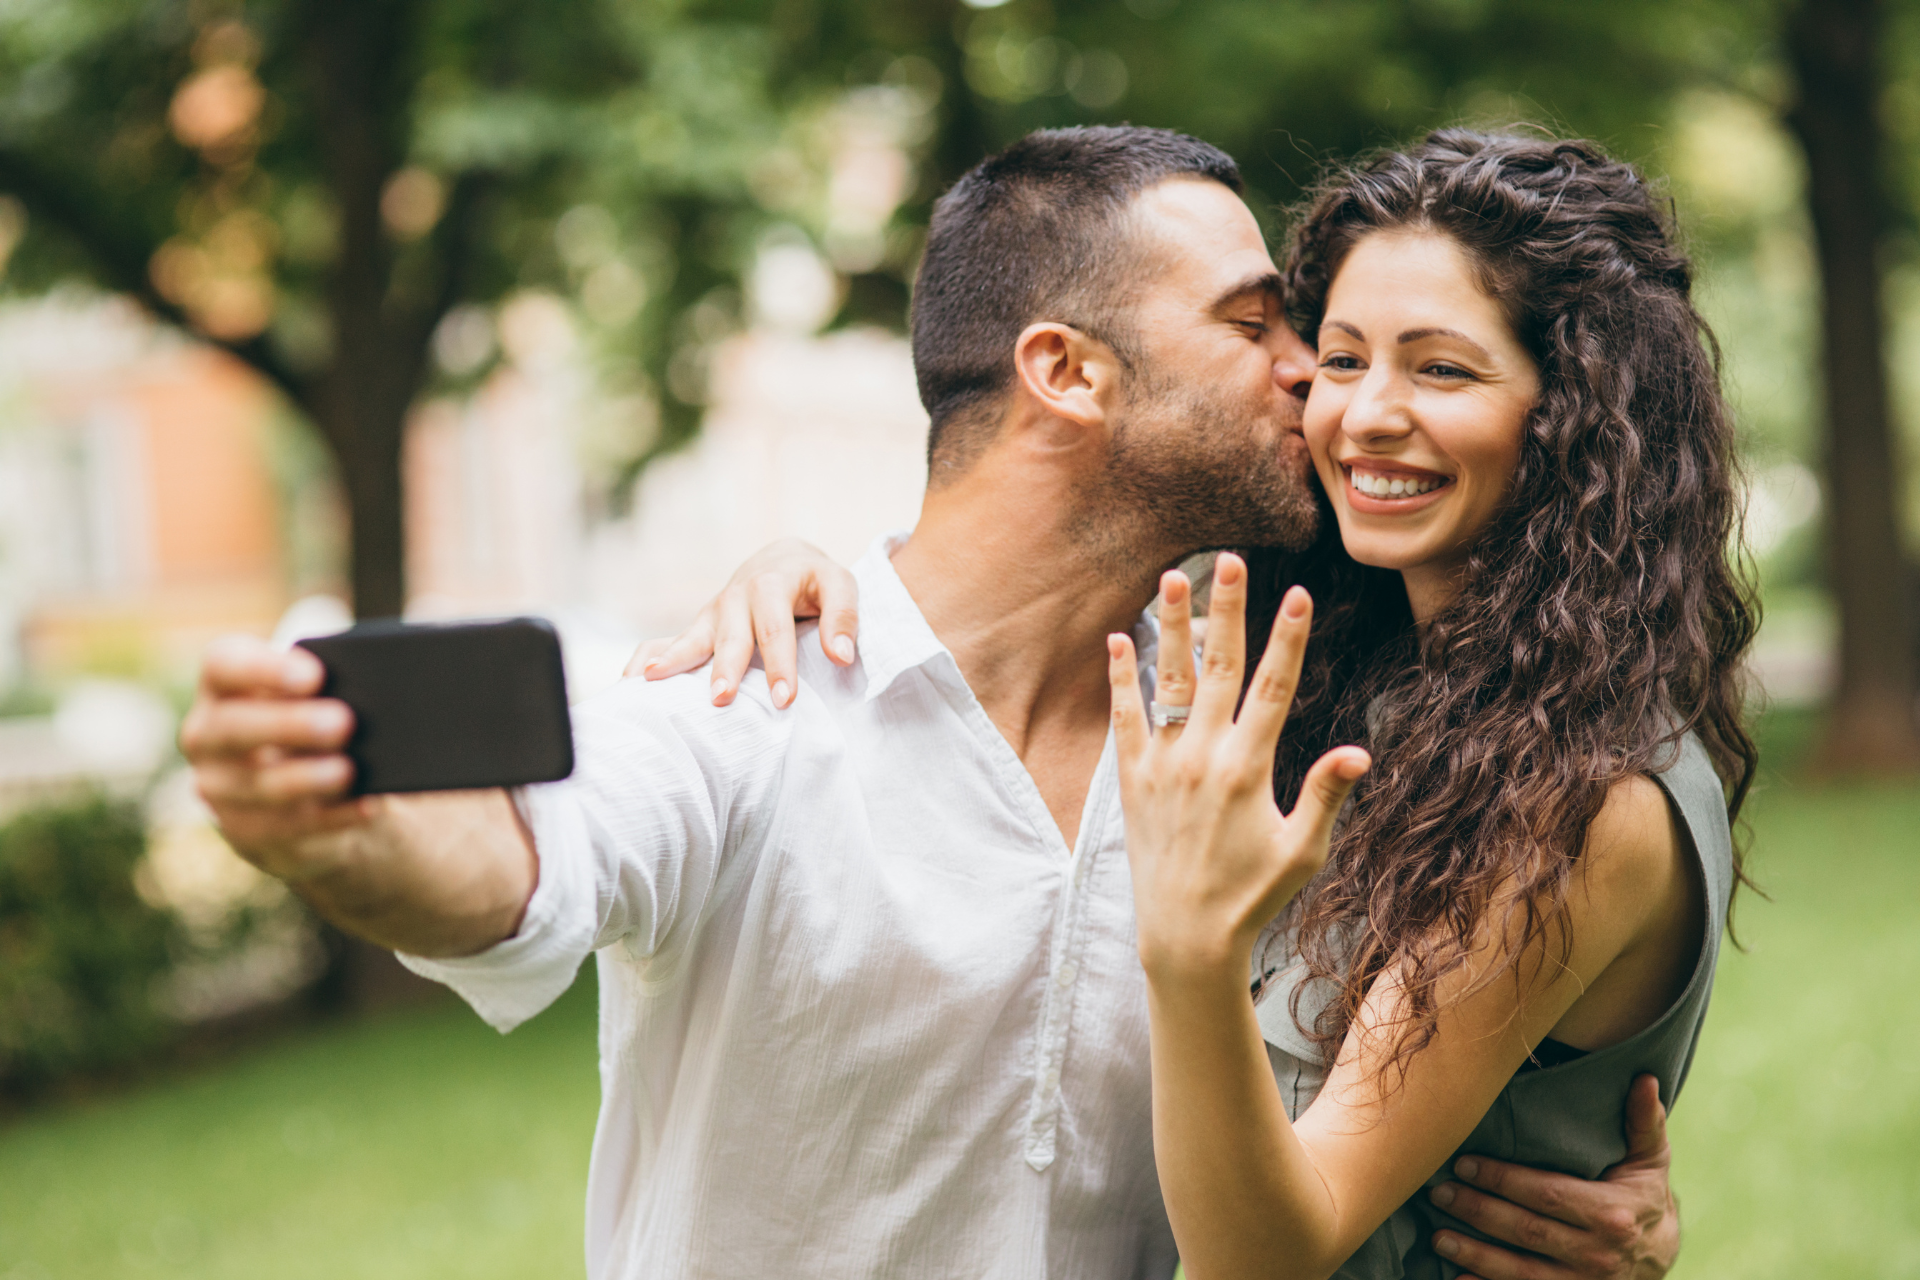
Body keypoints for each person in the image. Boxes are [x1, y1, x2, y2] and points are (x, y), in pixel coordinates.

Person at [182, 127, 1679, 1280]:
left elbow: (1442, 1021)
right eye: (1262, 330)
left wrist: (1586, 1197)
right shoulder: (749, 691)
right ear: (1065, 373)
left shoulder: (1281, 727)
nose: (1322, 385)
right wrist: (336, 832)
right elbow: (512, 871)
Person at [638, 132, 1745, 1280]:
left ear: (1576, 415)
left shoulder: (1572, 798)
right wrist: (807, 573)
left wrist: (1189, 940)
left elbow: (1272, 1251)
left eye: (1443, 370)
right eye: (1342, 356)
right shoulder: (1355, 689)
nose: (1360, 412)